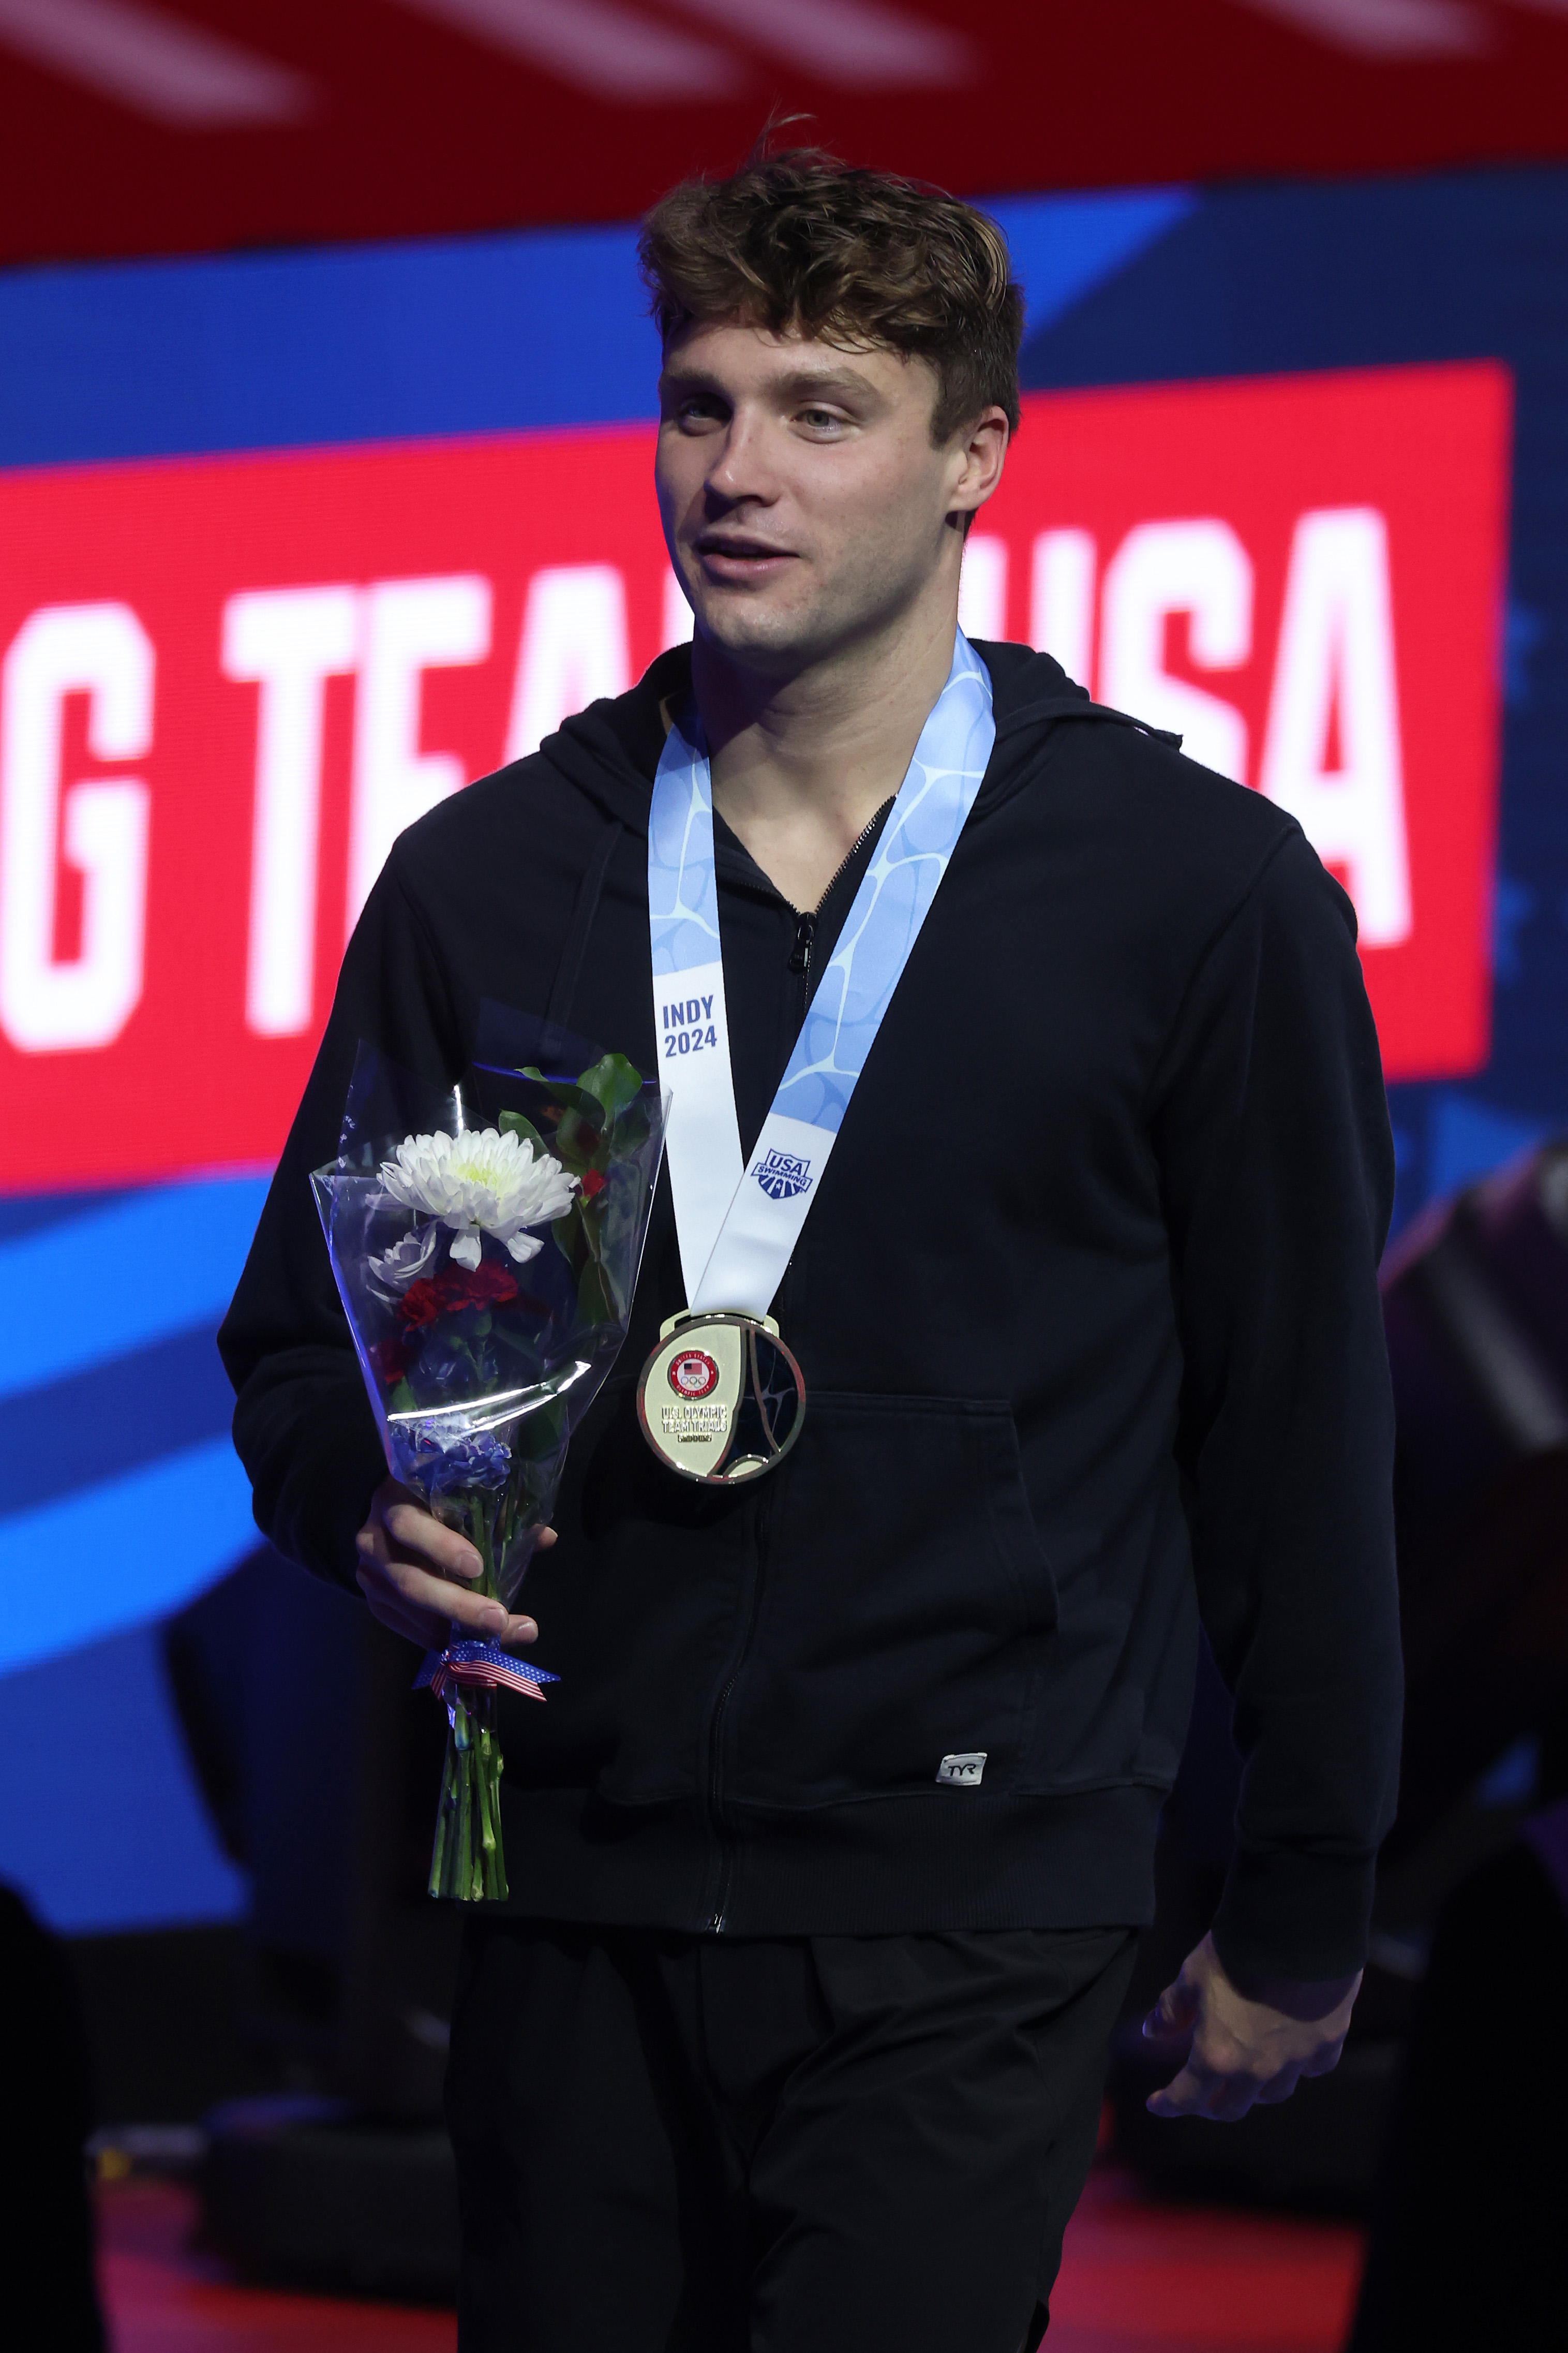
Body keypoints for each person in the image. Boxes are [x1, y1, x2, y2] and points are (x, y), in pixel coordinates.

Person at [219, 145, 1401, 2353]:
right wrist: (352, 1510)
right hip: (565, 1881)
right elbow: (299, 1356)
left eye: (818, 411)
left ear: (974, 456)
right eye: (698, 405)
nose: (735, 473)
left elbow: (1298, 1447)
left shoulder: (1195, 894)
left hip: (975, 1900)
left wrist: (1304, 1904)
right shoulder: (486, 880)